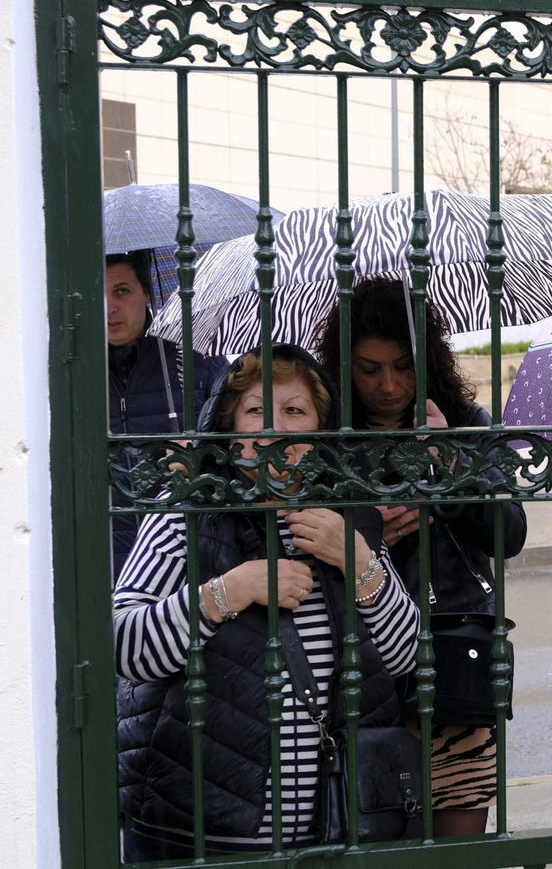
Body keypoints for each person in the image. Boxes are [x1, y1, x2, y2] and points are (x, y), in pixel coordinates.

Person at [114, 344, 418, 858]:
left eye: (294, 412)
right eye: (256, 410)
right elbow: (124, 643)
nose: (273, 429)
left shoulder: (349, 515)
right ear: (230, 426)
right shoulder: (187, 512)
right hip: (201, 830)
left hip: (331, 829)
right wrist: (227, 592)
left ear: (320, 432)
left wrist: (360, 562)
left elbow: (405, 656)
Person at [314, 276, 528, 837]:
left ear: (427, 359)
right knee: (378, 833)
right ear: (344, 366)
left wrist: (452, 468)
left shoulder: (465, 424)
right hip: (363, 669)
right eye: (369, 368)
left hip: (456, 655)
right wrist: (366, 531)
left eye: (403, 366)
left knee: (459, 844)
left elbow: (509, 536)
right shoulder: (324, 438)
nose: (388, 385)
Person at [106, 250, 227, 572]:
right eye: (97, 295)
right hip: (100, 559)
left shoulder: (195, 360)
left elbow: (243, 446)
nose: (109, 308)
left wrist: (201, 453)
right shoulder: (72, 374)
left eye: (122, 291)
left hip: (186, 553)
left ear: (146, 292)